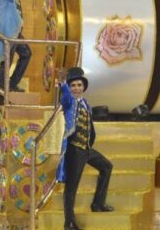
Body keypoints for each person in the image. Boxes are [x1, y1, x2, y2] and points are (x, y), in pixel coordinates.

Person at [56, 67, 114, 230]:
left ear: (83, 87)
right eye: (73, 85)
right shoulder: (69, 102)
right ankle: (69, 222)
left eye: (79, 85)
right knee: (72, 187)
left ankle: (98, 204)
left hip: (86, 148)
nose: (76, 88)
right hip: (75, 150)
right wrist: (62, 84)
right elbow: (66, 97)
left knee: (107, 167)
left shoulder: (85, 102)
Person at [0, 0, 31, 92]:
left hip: (16, 32)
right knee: (7, 61)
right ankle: (1, 90)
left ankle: (11, 83)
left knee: (26, 53)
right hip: (8, 32)